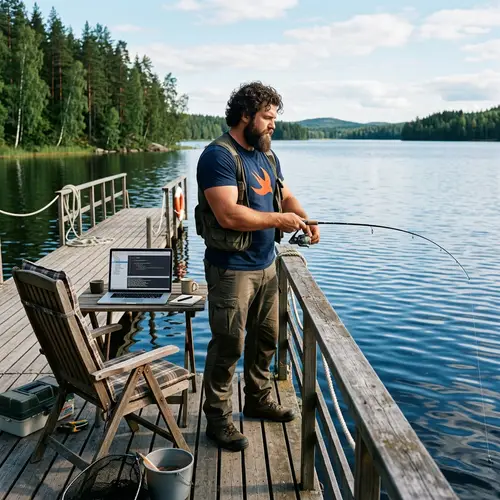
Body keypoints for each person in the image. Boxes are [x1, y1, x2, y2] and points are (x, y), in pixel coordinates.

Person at [195, 81, 320, 452]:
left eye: (275, 118)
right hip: (231, 270)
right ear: (245, 116)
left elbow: (285, 195)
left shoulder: (267, 156)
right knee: (228, 343)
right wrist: (279, 221)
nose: (273, 125)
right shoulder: (218, 156)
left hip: (267, 265)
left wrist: (304, 218)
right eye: (267, 117)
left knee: (265, 340)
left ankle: (258, 399)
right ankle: (217, 419)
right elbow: (228, 214)